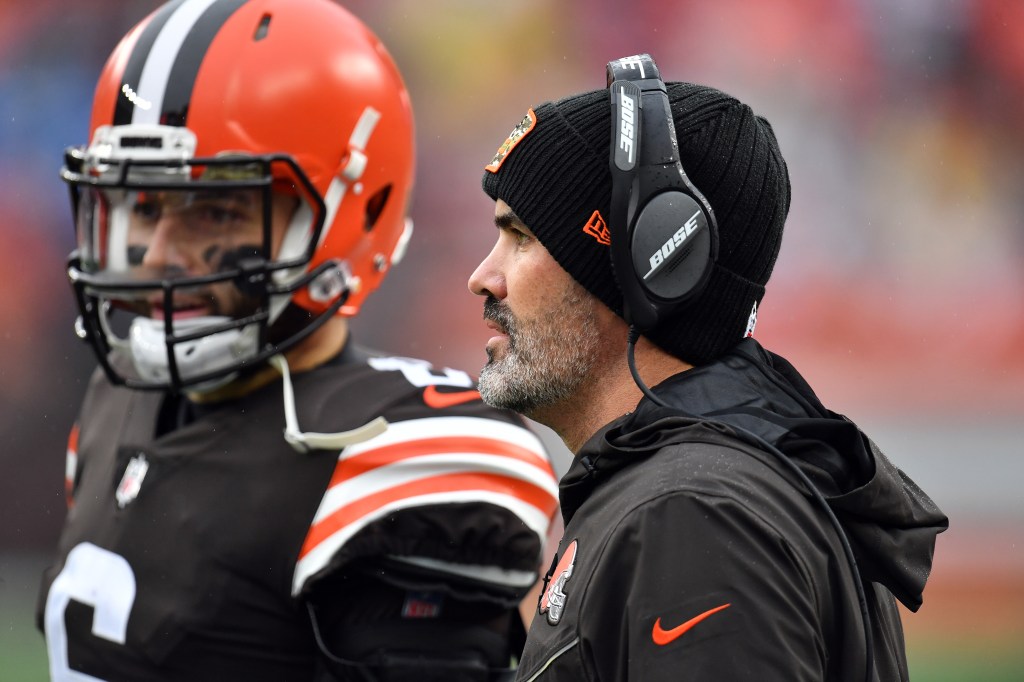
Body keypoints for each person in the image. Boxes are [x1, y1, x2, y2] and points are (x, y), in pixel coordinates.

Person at [36, 1, 559, 680]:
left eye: (215, 211)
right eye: (145, 206)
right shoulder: (120, 399)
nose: (159, 253)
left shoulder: (398, 452)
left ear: (352, 211)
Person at [467, 53, 948, 681]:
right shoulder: (703, 493)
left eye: (522, 235)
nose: (483, 278)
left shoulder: (693, 516)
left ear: (651, 262)